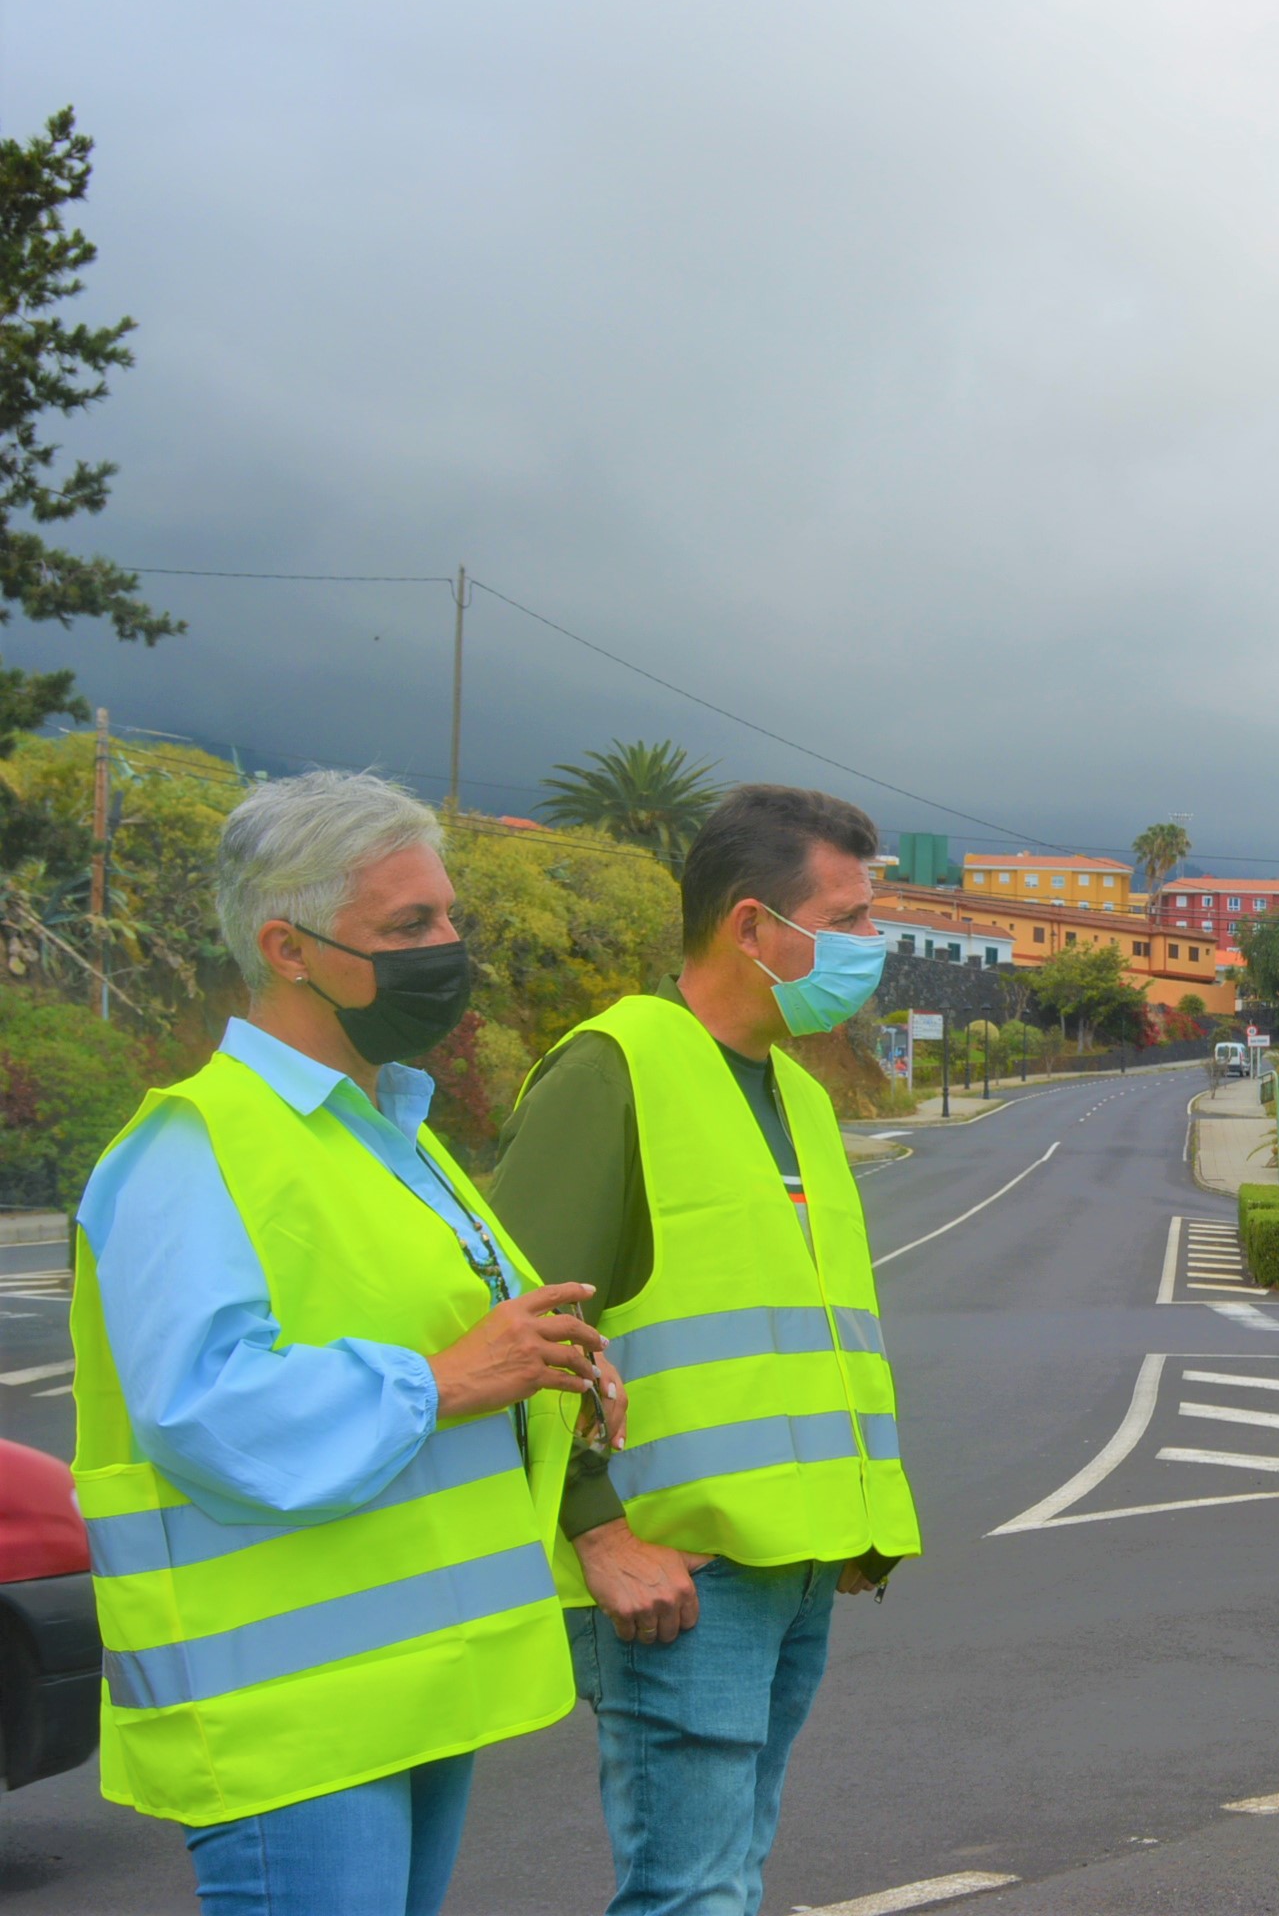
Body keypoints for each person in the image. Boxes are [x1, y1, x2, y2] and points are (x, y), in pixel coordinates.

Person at [69, 770, 612, 1915]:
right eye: (409, 924)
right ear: (289, 946)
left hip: (411, 1681)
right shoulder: (192, 1144)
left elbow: (450, 1333)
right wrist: (452, 1377)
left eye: (450, 915)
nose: (449, 945)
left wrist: (551, 1370)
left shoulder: (390, 1130)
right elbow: (202, 1407)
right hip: (290, 1713)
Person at [490, 783, 922, 1916]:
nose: (871, 948)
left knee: (729, 1876)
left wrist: (858, 1522)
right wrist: (594, 1525)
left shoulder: (798, 1095)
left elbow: (807, 1337)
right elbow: (516, 1329)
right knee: (692, 1891)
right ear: (749, 926)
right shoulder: (614, 1068)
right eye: (848, 920)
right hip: (677, 1574)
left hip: (795, 1567)